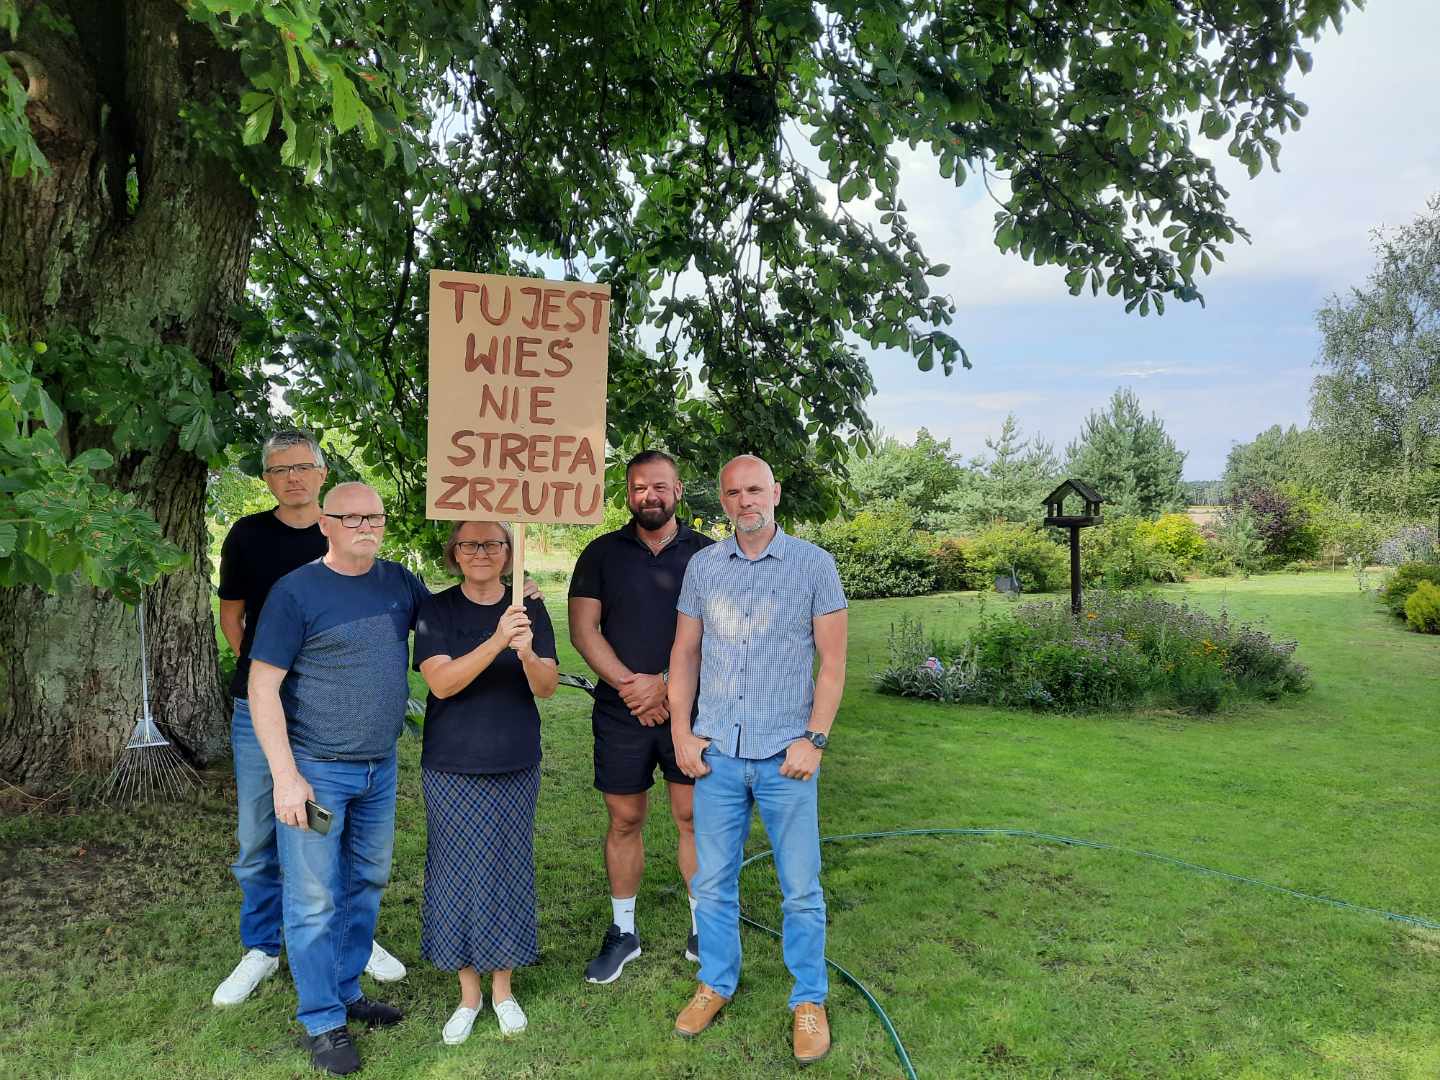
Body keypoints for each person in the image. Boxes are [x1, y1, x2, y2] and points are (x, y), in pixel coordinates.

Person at [212, 433, 405, 1009]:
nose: (292, 476)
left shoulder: (369, 555)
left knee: (335, 835)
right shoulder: (249, 536)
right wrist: (282, 678)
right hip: (264, 707)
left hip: (337, 720)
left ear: (322, 475)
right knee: (260, 833)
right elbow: (234, 621)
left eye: (303, 467)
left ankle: (350, 940)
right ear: (267, 479)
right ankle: (262, 946)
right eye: (279, 469)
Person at [668, 454, 848, 1065]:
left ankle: (808, 999)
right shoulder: (703, 567)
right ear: (721, 501)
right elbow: (685, 654)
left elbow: (834, 662)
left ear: (775, 491)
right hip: (716, 752)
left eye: (754, 489)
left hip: (784, 755)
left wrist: (814, 739)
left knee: (799, 889)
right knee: (713, 883)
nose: (745, 501)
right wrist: (682, 733)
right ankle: (716, 982)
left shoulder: (813, 564)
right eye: (732, 492)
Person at [247, 482, 428, 1076]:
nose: (362, 525)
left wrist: (513, 594)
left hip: (380, 766)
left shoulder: (398, 582)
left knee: (366, 881)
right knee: (315, 898)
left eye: (372, 515)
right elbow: (262, 687)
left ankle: (348, 989)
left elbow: (452, 622)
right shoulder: (296, 592)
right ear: (324, 524)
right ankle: (323, 1019)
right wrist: (286, 776)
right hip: (317, 769)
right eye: (348, 517)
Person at [568, 450, 714, 983]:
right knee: (625, 819)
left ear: (678, 491)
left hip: (692, 711)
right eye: (637, 487)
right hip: (620, 709)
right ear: (626, 494)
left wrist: (668, 688)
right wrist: (633, 687)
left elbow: (719, 635)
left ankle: (705, 928)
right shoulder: (601, 553)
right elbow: (585, 631)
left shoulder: (709, 556)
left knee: (692, 818)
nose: (648, 496)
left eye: (658, 486)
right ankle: (623, 931)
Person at [413, 520, 558, 1045]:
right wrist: (497, 638)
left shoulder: (531, 609)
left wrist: (523, 649)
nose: (481, 552)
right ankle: (468, 993)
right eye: (470, 544)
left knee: (507, 865)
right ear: (455, 553)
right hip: (451, 762)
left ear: (508, 552)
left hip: (515, 758)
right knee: (454, 870)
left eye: (493, 544)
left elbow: (547, 688)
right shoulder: (437, 609)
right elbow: (442, 683)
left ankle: (503, 989)